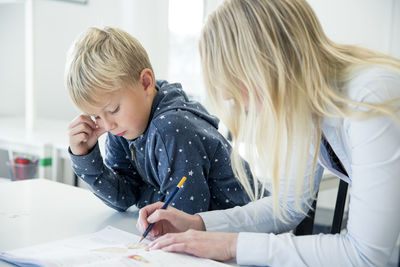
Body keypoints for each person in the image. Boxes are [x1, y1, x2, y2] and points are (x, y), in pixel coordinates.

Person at [136, 0, 400, 266]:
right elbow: (287, 207)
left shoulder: (372, 97)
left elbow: (366, 255)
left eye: (237, 84)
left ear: (271, 62)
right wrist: (199, 224)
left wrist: (232, 246)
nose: (237, 100)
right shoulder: (304, 104)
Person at [65, 26, 262, 215]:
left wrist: (145, 194)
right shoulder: (123, 128)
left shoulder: (171, 127)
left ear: (146, 83)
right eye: (97, 116)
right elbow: (124, 197)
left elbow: (183, 215)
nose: (107, 125)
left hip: (257, 232)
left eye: (113, 109)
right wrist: (85, 156)